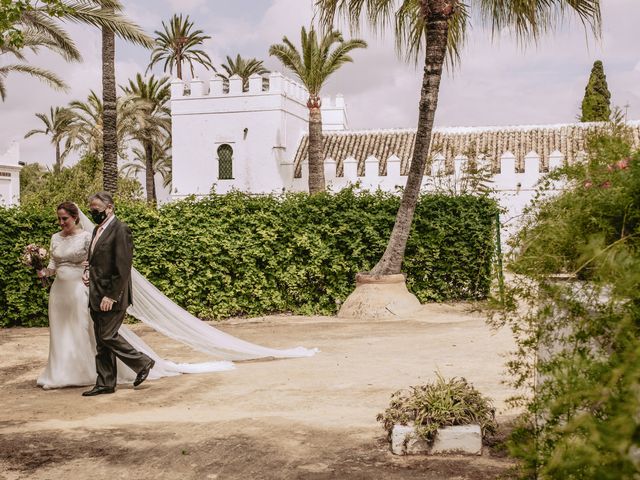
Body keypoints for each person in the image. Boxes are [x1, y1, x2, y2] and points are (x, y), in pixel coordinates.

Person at [36, 198, 317, 393]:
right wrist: (41, 269)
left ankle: (136, 364)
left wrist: (105, 290)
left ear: (78, 217)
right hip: (61, 292)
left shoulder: (105, 232)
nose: (61, 222)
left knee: (101, 335)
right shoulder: (71, 235)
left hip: (85, 291)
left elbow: (117, 266)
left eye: (65, 218)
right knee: (81, 335)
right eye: (58, 219)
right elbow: (58, 265)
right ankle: (87, 377)